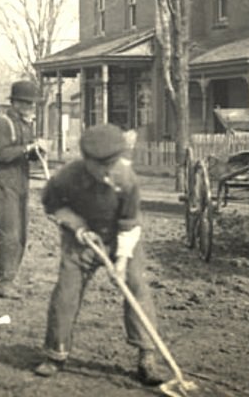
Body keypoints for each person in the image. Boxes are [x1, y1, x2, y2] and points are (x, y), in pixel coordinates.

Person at [34, 124, 168, 386]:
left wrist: (120, 261)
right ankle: (55, 353)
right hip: (81, 239)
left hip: (121, 238)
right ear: (87, 161)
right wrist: (77, 226)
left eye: (112, 163)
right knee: (66, 292)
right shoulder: (67, 177)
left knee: (137, 286)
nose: (109, 171)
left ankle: (146, 356)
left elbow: (130, 223)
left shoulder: (127, 179)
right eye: (102, 166)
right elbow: (51, 204)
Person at [0, 79, 43, 299]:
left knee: (21, 234)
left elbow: (25, 154)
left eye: (33, 104)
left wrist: (37, 151)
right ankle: (5, 282)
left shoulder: (25, 124)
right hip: (5, 182)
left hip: (21, 181)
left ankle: (12, 277)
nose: (32, 108)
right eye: (28, 103)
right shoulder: (2, 124)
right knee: (9, 233)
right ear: (17, 103)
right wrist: (27, 148)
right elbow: (1, 154)